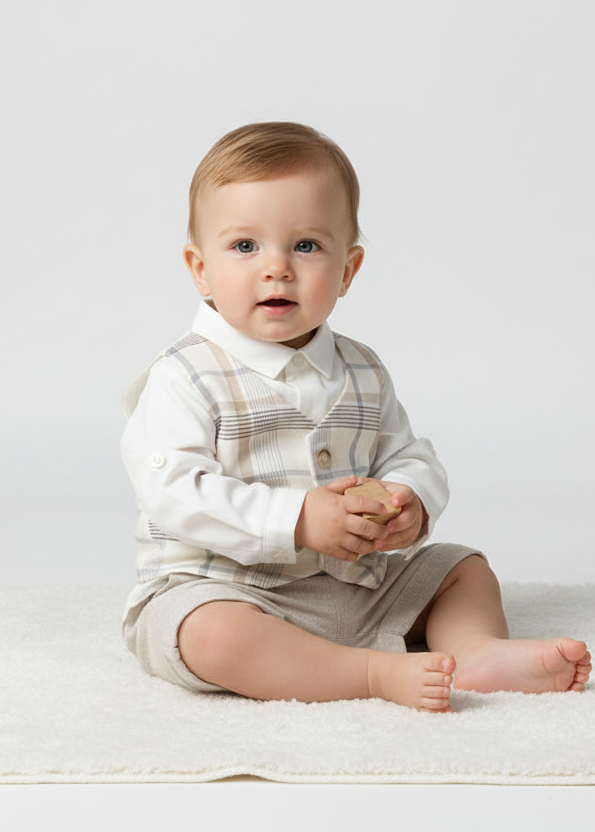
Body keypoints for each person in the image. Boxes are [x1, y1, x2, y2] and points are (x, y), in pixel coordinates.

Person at [120, 122, 591, 712]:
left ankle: (473, 650)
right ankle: (371, 673)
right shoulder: (183, 376)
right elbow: (173, 492)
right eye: (245, 246)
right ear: (199, 268)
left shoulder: (361, 368)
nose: (277, 268)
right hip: (227, 590)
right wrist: (297, 519)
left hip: (352, 587)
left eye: (306, 246)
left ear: (347, 270)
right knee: (212, 636)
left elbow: (406, 453)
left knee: (462, 568)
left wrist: (407, 501)